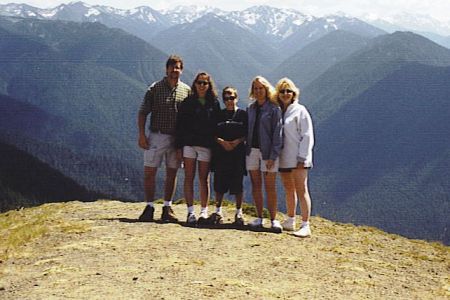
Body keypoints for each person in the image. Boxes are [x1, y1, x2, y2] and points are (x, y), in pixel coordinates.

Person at [137, 55, 190, 222]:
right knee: (149, 172)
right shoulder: (155, 88)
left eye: (178, 68)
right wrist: (141, 135)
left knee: (172, 173)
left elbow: (188, 118)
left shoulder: (186, 91)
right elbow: (143, 112)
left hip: (176, 139)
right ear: (166, 69)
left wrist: (184, 142)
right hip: (156, 135)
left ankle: (167, 207)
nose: (175, 71)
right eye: (172, 67)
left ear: (181, 70)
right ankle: (149, 206)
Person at [175, 72, 221, 226]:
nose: (202, 86)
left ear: (209, 86)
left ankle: (203, 211)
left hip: (206, 146)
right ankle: (190, 212)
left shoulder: (214, 103)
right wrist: (178, 147)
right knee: (189, 177)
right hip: (189, 144)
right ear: (195, 84)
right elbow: (180, 126)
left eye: (205, 83)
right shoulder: (187, 102)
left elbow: (217, 126)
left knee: (204, 179)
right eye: (199, 82)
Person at [275, 77, 314, 237]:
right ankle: (290, 219)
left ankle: (305, 224)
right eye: (282, 91)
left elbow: (307, 135)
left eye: (288, 91)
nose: (285, 94)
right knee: (288, 189)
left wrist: (303, 157)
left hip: (298, 158)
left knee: (301, 189)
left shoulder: (300, 110)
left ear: (294, 93)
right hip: (284, 157)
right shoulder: (278, 111)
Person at [246, 76, 283, 232]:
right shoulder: (251, 109)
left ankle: (273, 219)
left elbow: (278, 133)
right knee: (256, 185)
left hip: (267, 153)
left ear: (266, 89)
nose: (258, 91)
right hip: (251, 151)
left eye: (261, 88)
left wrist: (273, 156)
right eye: (255, 88)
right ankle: (260, 217)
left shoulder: (274, 109)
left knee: (270, 187)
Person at [209, 87, 248, 226]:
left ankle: (239, 212)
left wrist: (237, 142)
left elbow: (247, 133)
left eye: (231, 98)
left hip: (238, 154)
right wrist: (222, 142)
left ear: (236, 98)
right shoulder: (218, 114)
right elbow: (212, 132)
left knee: (238, 184)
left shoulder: (243, 115)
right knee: (219, 183)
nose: (229, 101)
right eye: (226, 98)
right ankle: (218, 211)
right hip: (221, 154)